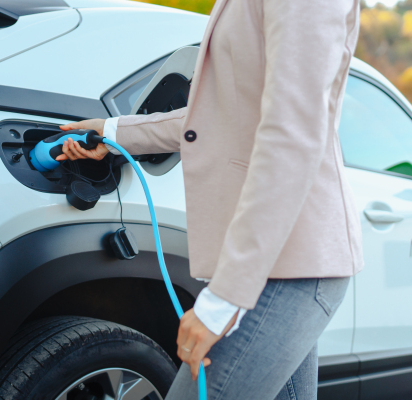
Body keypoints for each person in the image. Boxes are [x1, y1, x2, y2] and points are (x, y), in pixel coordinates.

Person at [56, 0, 363, 398]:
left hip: (290, 264)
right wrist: (112, 132)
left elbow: (292, 138)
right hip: (276, 261)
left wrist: (224, 300)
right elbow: (219, 117)